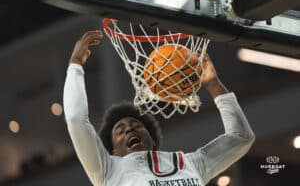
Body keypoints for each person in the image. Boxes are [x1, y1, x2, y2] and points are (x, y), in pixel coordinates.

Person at [63, 30, 255, 186]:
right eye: (120, 131)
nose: (129, 128)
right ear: (113, 152)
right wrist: (75, 65)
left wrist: (213, 83)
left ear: (152, 140)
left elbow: (242, 137)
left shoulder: (191, 163)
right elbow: (76, 119)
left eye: (136, 125)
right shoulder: (108, 171)